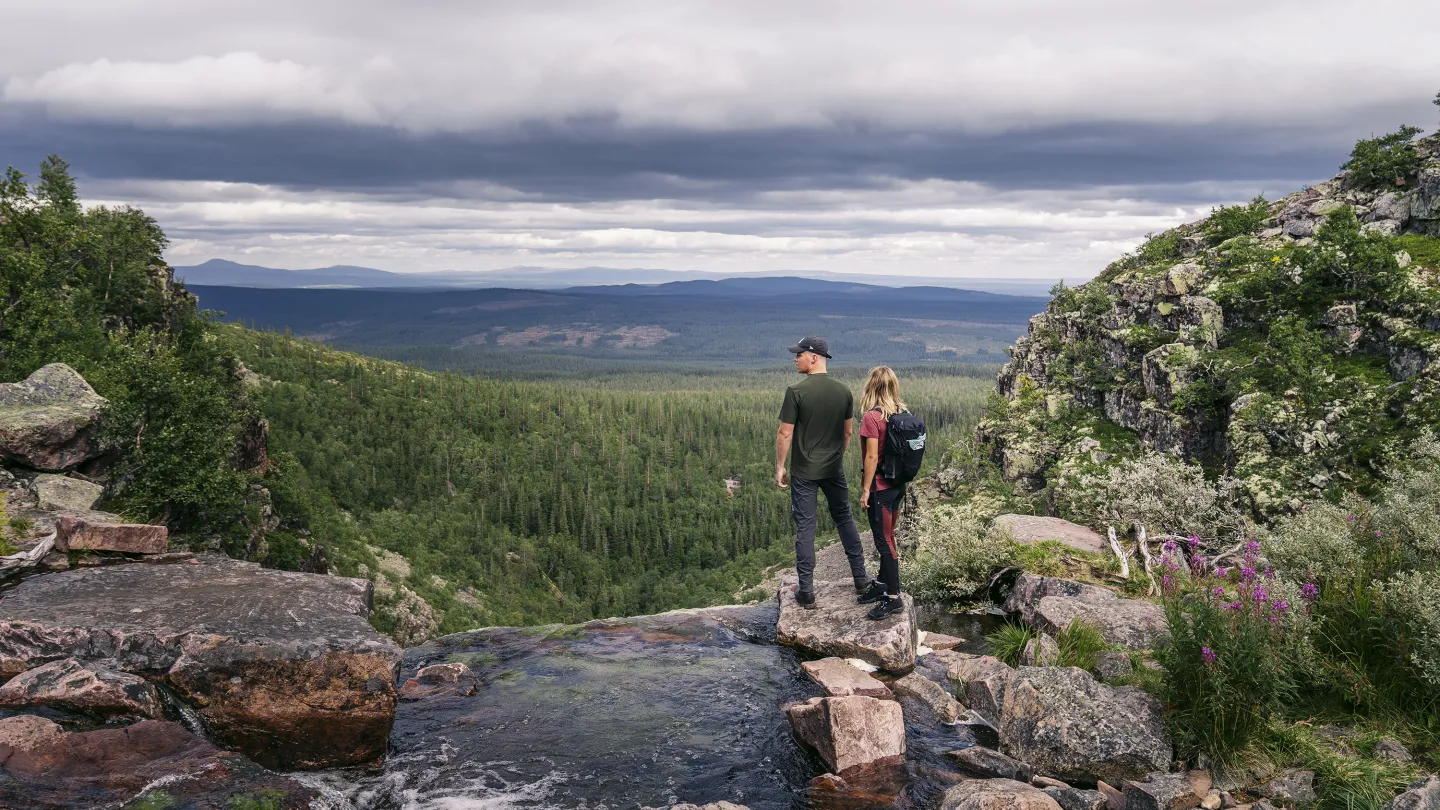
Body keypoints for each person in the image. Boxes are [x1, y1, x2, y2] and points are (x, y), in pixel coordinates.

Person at [776, 336, 873, 607]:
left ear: (814, 357)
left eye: (799, 355)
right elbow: (848, 432)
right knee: (844, 519)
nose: (795, 358)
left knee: (806, 526)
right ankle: (861, 580)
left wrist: (781, 466)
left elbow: (785, 433)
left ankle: (806, 591)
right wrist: (836, 456)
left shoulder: (796, 391)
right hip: (833, 469)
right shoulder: (843, 392)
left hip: (804, 471)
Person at [857, 366, 907, 620]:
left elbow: (872, 456)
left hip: (880, 488)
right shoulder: (902, 413)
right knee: (889, 536)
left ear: (872, 387)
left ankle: (893, 597)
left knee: (883, 540)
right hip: (898, 485)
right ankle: (881, 583)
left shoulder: (872, 417)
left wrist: (866, 490)